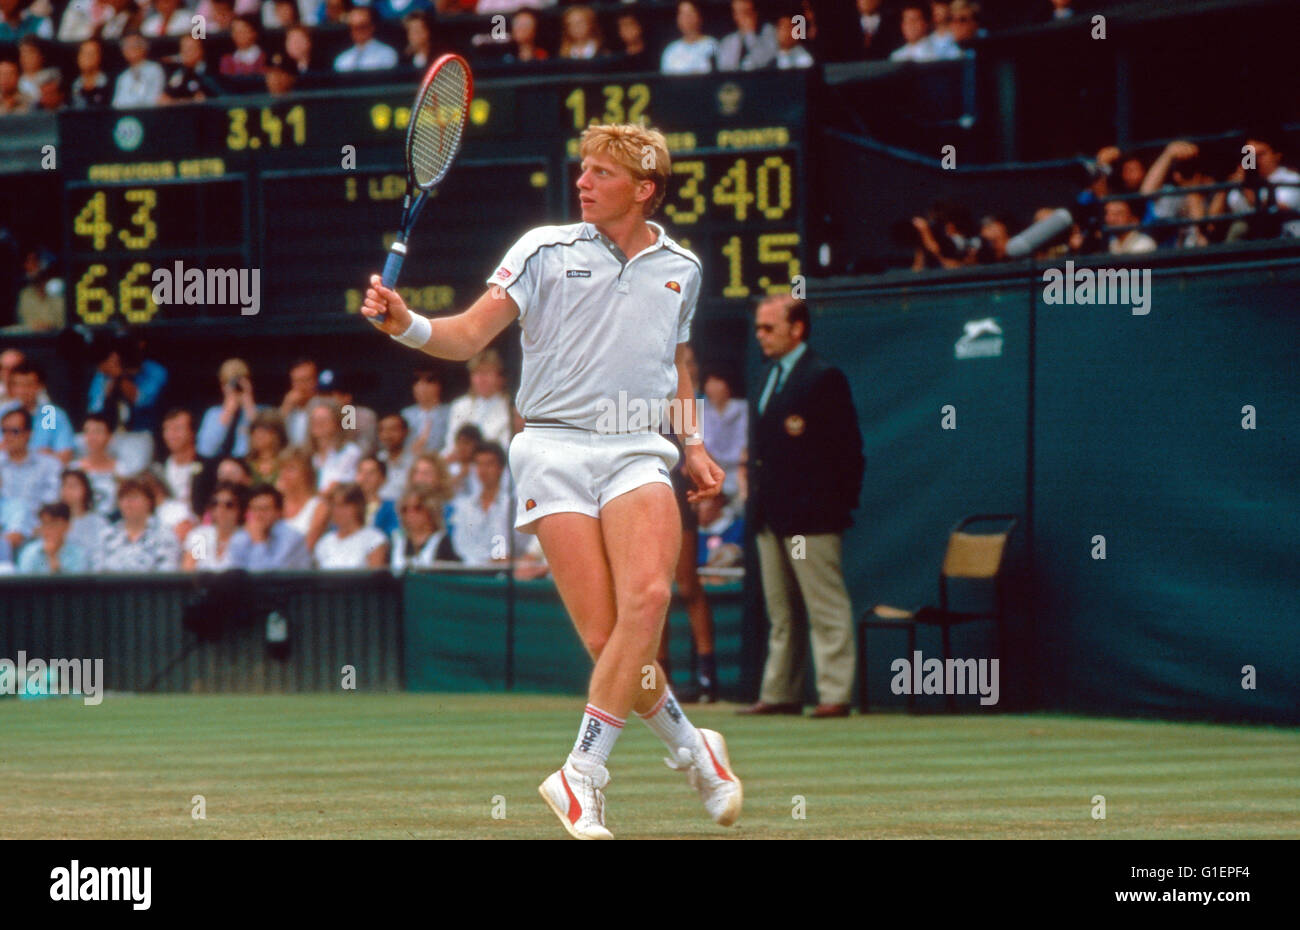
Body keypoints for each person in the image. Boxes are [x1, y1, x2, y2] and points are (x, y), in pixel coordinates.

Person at [361, 122, 739, 840]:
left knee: (651, 597)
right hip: (551, 451)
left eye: (602, 172)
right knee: (610, 643)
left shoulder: (682, 268)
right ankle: (696, 750)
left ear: (645, 189)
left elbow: (678, 361)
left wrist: (690, 442)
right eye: (584, 168)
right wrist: (406, 324)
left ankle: (582, 775)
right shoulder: (541, 249)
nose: (584, 181)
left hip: (636, 448)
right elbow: (468, 336)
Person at [739, 295, 864, 719]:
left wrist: (833, 507)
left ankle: (835, 692)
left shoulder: (823, 377)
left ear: (797, 329)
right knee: (781, 610)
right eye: (758, 327)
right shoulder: (765, 377)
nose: (761, 335)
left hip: (811, 517)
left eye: (769, 327)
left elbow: (848, 451)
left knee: (824, 605)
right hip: (770, 513)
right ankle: (779, 692)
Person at [446, 441, 523, 565]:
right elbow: (460, 545)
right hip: (470, 571)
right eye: (479, 464)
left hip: (503, 572)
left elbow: (516, 547)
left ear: (500, 468)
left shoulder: (512, 504)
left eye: (489, 464)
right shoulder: (465, 506)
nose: (483, 470)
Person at [93, 475, 181, 571]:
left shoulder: (164, 535)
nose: (128, 503)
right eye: (123, 498)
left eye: (134, 497)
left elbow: (167, 572)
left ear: (149, 502)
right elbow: (98, 571)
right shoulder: (106, 536)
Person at [0, 406, 61, 538]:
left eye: (14, 431)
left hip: (38, 532)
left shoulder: (48, 465)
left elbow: (52, 503)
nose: (8, 436)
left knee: (20, 508)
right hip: (2, 530)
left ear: (28, 433)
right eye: (4, 431)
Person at [440, 350, 512, 457]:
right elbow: (451, 444)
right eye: (477, 373)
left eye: (487, 373)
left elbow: (504, 446)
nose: (481, 379)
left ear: (499, 377)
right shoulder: (460, 405)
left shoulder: (509, 407)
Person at [1, 360, 74, 463]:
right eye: (18, 385)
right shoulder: (2, 413)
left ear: (40, 386)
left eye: (28, 385)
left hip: (44, 474)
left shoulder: (54, 415)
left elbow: (65, 455)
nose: (22, 391)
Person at [226, 483, 311, 570]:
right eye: (254, 509)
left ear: (278, 512)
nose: (259, 514)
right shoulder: (241, 537)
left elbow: (269, 578)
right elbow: (235, 575)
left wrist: (259, 542)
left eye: (265, 509)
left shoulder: (292, 539)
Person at [314, 482, 389, 568]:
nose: (337, 511)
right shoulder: (324, 543)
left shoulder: (374, 539)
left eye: (343, 506)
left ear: (358, 507)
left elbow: (377, 577)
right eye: (334, 506)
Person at [275, 447, 330, 551]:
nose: (284, 474)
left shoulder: (319, 507)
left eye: (291, 469)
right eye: (282, 469)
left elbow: (307, 547)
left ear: (307, 473)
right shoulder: (275, 503)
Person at [390, 486, 457, 571]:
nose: (410, 514)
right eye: (405, 509)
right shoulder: (397, 542)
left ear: (431, 510)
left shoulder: (442, 542)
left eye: (417, 508)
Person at [72, 413, 126, 517]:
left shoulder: (121, 469)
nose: (92, 437)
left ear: (109, 436)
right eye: (87, 432)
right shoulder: (74, 469)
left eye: (98, 432)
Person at [308, 399, 362, 493]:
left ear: (337, 423)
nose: (318, 423)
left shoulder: (350, 452)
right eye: (315, 419)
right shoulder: (308, 454)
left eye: (324, 419)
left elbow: (338, 485)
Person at [17, 502, 88, 573]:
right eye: (45, 524)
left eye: (54, 524)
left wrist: (52, 557)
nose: (48, 529)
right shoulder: (30, 552)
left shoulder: (78, 554)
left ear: (67, 526)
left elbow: (78, 583)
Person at [60, 468, 110, 554]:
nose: (67, 490)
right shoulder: (56, 522)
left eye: (73, 486)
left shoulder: (99, 522)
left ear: (85, 489)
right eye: (64, 485)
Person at [716, 0, 777, 71]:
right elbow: (724, 67)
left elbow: (764, 61)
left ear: (755, 13)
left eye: (747, 12)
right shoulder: (728, 41)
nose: (745, 17)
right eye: (740, 13)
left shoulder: (768, 31)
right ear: (735, 16)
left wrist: (750, 35)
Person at [401, 366, 449, 454]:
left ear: (439, 385)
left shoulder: (449, 412)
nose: (421, 386)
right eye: (416, 381)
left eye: (429, 380)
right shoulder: (406, 414)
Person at [334, 6, 398, 71]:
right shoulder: (342, 60)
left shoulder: (387, 54)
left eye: (362, 26)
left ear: (371, 27)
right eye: (354, 27)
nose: (358, 31)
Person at [661, 0, 716, 75]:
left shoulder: (712, 44)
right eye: (682, 14)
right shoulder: (671, 50)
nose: (687, 19)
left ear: (699, 16)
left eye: (691, 13)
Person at [112, 33, 166, 108]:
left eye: (135, 45)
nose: (131, 49)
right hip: (127, 116)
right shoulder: (123, 77)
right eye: (127, 46)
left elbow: (156, 97)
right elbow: (117, 103)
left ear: (144, 48)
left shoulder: (155, 69)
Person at [374, 413, 413, 501]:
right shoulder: (376, 460)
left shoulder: (415, 462)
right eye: (382, 430)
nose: (387, 435)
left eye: (393, 430)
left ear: (405, 432)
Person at [356, 455, 399, 535]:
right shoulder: (347, 506)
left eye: (371, 473)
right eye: (361, 472)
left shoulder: (391, 508)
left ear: (383, 478)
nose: (365, 477)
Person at [245, 410, 288, 486]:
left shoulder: (286, 464)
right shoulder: (245, 465)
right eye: (255, 429)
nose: (258, 434)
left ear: (278, 435)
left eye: (265, 430)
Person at [70, 38, 111, 108]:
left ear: (99, 57)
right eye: (83, 53)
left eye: (91, 53)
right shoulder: (74, 85)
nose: (87, 57)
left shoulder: (109, 83)